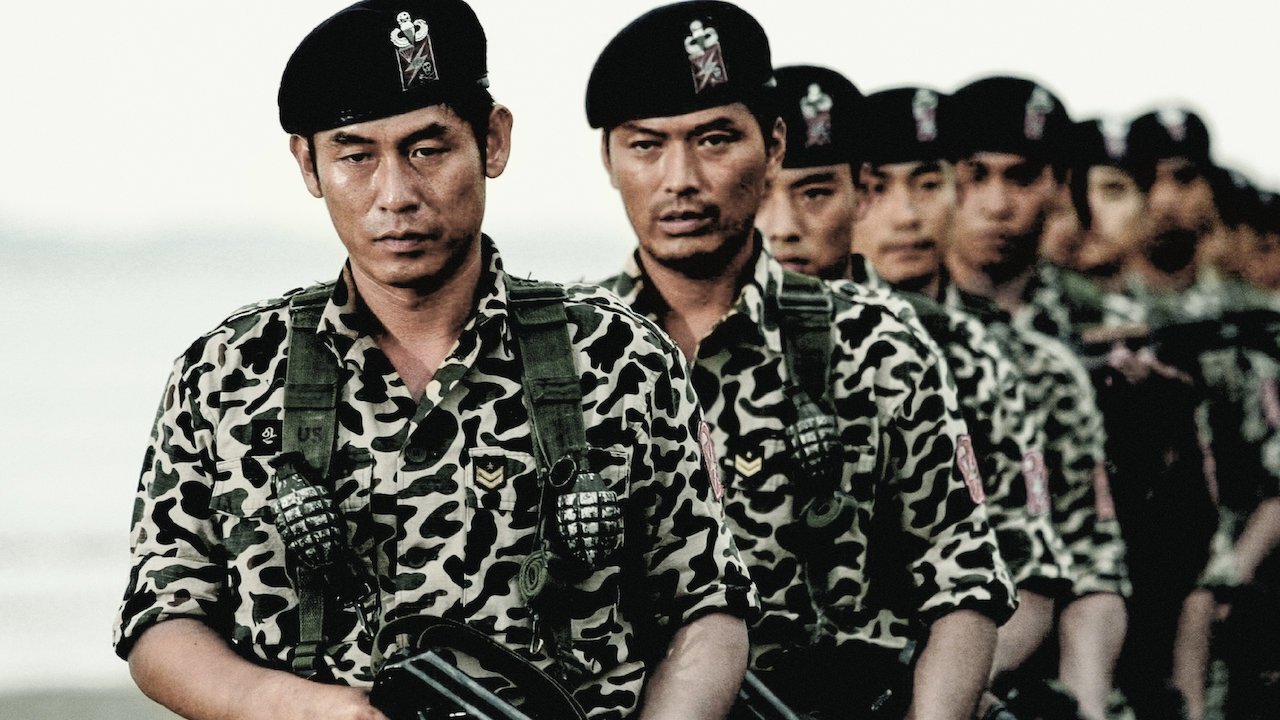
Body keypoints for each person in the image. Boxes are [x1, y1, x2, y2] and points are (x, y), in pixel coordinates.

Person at [111, 2, 759, 719]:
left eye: (427, 149)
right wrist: (302, 707)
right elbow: (160, 616)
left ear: (493, 141)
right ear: (308, 164)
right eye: (356, 155)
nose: (395, 195)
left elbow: (710, 604)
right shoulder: (226, 374)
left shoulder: (619, 356)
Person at [586, 5, 1016, 718]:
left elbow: (962, 575)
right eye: (646, 146)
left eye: (715, 140)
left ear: (775, 146)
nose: (680, 178)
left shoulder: (874, 341)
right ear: (609, 160)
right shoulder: (570, 356)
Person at [838, 84, 1077, 717]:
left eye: (928, 184)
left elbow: (1030, 567)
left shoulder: (995, 358)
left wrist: (942, 690)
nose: (907, 216)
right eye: (877, 188)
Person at [945, 76, 1131, 720]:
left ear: (1058, 184)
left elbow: (1095, 556)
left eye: (1021, 177)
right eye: (975, 176)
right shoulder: (895, 329)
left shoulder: (1108, 325)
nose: (996, 205)